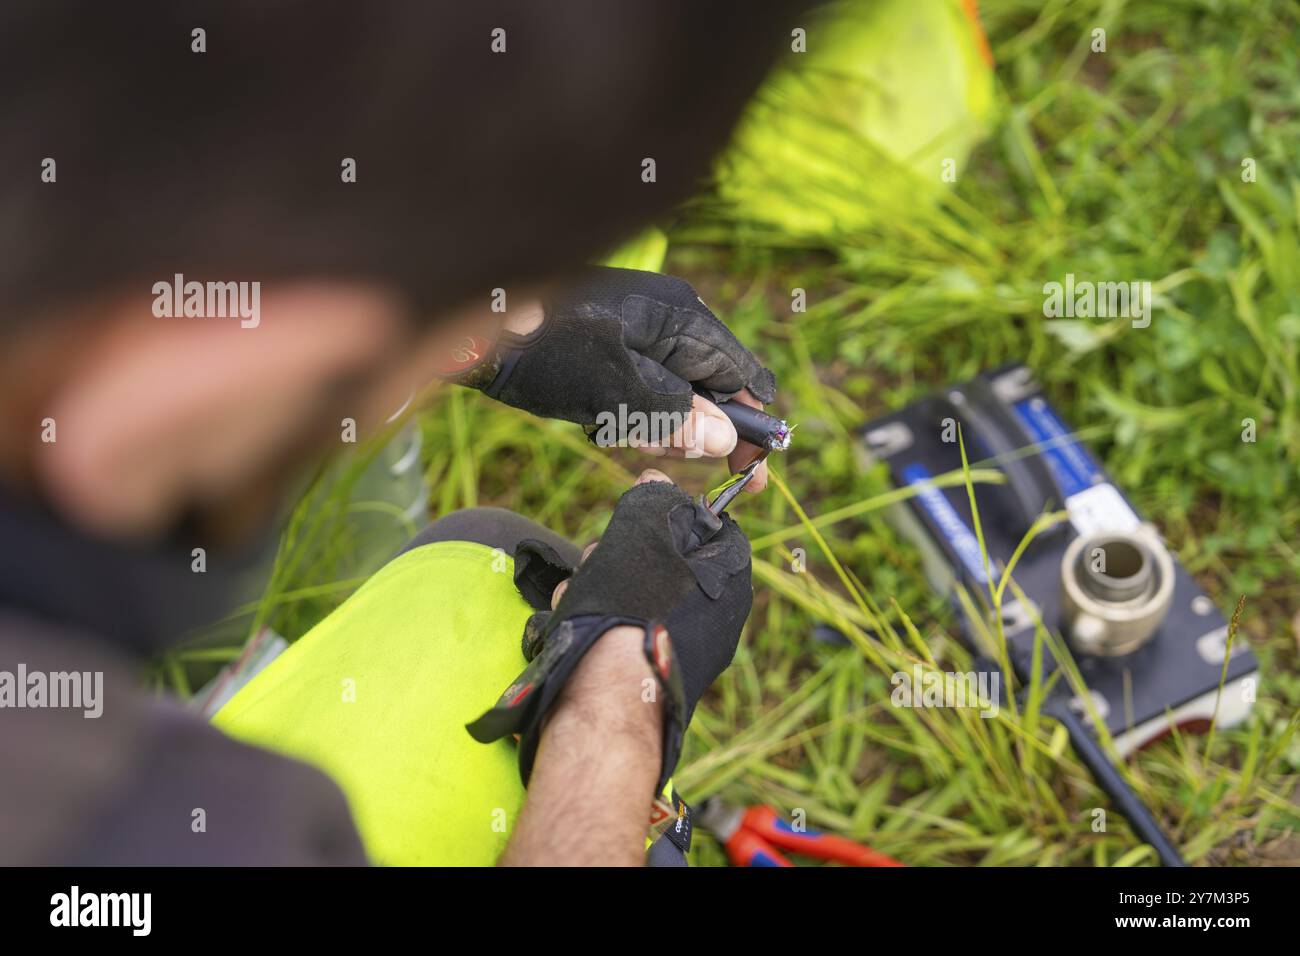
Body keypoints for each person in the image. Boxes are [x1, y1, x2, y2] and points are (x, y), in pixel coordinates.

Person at [0, 1, 806, 865]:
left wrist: (471, 333)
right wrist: (612, 724)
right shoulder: (167, 833)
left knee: (484, 549)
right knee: (495, 594)